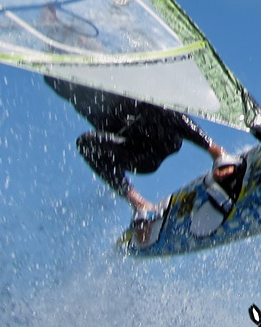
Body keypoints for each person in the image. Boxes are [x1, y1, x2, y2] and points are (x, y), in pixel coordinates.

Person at [44, 76, 245, 224]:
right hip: (138, 154)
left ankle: (218, 154)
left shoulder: (113, 63)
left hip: (164, 134)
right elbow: (52, 68)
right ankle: (139, 204)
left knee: (154, 99)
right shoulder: (68, 83)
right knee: (86, 142)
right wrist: (53, 25)